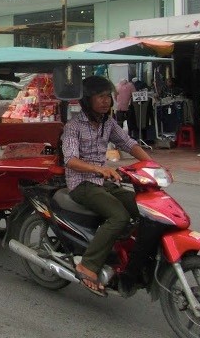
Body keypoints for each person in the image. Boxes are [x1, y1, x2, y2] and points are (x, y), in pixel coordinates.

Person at [61, 75, 152, 295]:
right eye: (100, 96)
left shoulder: (108, 123)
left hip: (103, 182)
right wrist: (98, 169)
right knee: (119, 216)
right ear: (87, 100)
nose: (105, 101)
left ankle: (126, 256)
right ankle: (88, 265)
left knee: (143, 208)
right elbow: (70, 160)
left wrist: (152, 164)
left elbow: (128, 144)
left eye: (108, 97)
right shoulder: (73, 126)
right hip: (82, 184)